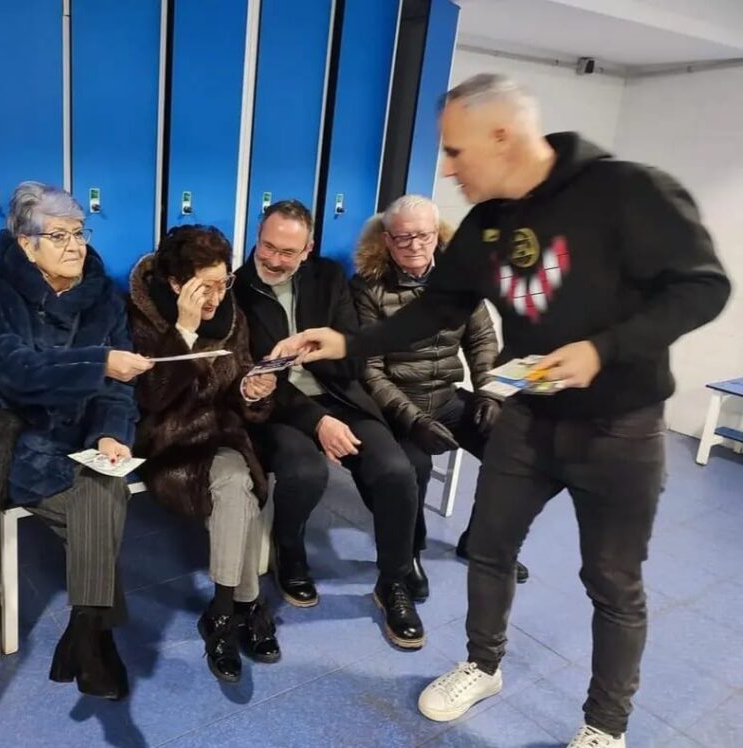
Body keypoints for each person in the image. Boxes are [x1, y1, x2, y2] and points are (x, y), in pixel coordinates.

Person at [273, 74, 730, 748]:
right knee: (489, 549)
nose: (448, 169)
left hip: (619, 429)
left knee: (611, 580)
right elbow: (437, 309)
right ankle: (482, 665)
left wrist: (604, 350)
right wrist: (348, 342)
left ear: (502, 135)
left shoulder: (627, 190)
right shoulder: (487, 224)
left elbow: (703, 286)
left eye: (455, 152)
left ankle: (606, 726)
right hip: (529, 419)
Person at [0, 182, 150, 701]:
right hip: (20, 437)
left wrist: (111, 433)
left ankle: (85, 631)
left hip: (85, 436)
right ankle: (96, 636)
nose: (75, 246)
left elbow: (120, 389)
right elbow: (15, 371)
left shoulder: (103, 295)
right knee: (104, 502)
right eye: (59, 236)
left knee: (103, 488)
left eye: (79, 233)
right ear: (27, 245)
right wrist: (99, 363)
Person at [234, 200, 425, 650]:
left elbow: (354, 356)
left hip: (341, 397)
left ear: (308, 250)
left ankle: (393, 581)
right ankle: (289, 548)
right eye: (267, 246)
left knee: (395, 470)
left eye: (288, 252)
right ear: (257, 238)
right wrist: (317, 421)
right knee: (305, 471)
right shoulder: (236, 290)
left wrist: (327, 349)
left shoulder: (328, 277)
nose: (273, 259)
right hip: (277, 408)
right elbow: (248, 375)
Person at [351, 194, 528, 599]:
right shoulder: (368, 288)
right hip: (396, 408)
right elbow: (369, 369)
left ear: (438, 235)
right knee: (414, 466)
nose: (414, 245)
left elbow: (482, 341)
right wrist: (413, 420)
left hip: (447, 397)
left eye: (424, 236)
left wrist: (489, 395)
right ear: (386, 239)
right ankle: (408, 554)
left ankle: (481, 541)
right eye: (403, 237)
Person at [128, 225, 281, 684]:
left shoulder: (233, 315)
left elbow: (238, 377)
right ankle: (247, 603)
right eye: (205, 287)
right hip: (168, 443)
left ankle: (222, 611)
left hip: (221, 436)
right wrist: (184, 331)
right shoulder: (140, 314)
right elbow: (150, 397)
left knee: (237, 483)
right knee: (238, 483)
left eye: (223, 282)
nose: (217, 297)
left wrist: (252, 389)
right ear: (176, 283)